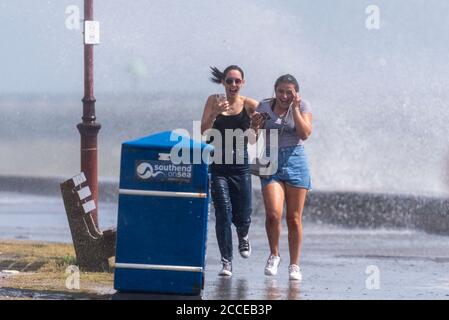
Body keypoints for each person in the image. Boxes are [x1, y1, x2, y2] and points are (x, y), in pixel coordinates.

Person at [252, 74, 312, 281]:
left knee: (294, 218)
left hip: (296, 159)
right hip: (269, 160)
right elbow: (252, 139)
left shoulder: (302, 106)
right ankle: (274, 254)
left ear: (295, 93)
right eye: (281, 91)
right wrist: (254, 126)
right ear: (275, 90)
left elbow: (304, 134)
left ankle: (294, 264)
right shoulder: (264, 106)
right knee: (273, 214)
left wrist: (294, 108)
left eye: (289, 92)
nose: (284, 96)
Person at [201, 65, 259, 277]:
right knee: (223, 213)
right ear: (223, 82)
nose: (233, 85)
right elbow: (203, 131)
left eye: (237, 81)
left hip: (241, 165)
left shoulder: (251, 105)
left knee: (242, 214)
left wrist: (257, 127)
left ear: (242, 83)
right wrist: (215, 113)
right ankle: (227, 262)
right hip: (217, 166)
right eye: (229, 81)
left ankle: (243, 234)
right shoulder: (212, 100)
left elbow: (254, 138)